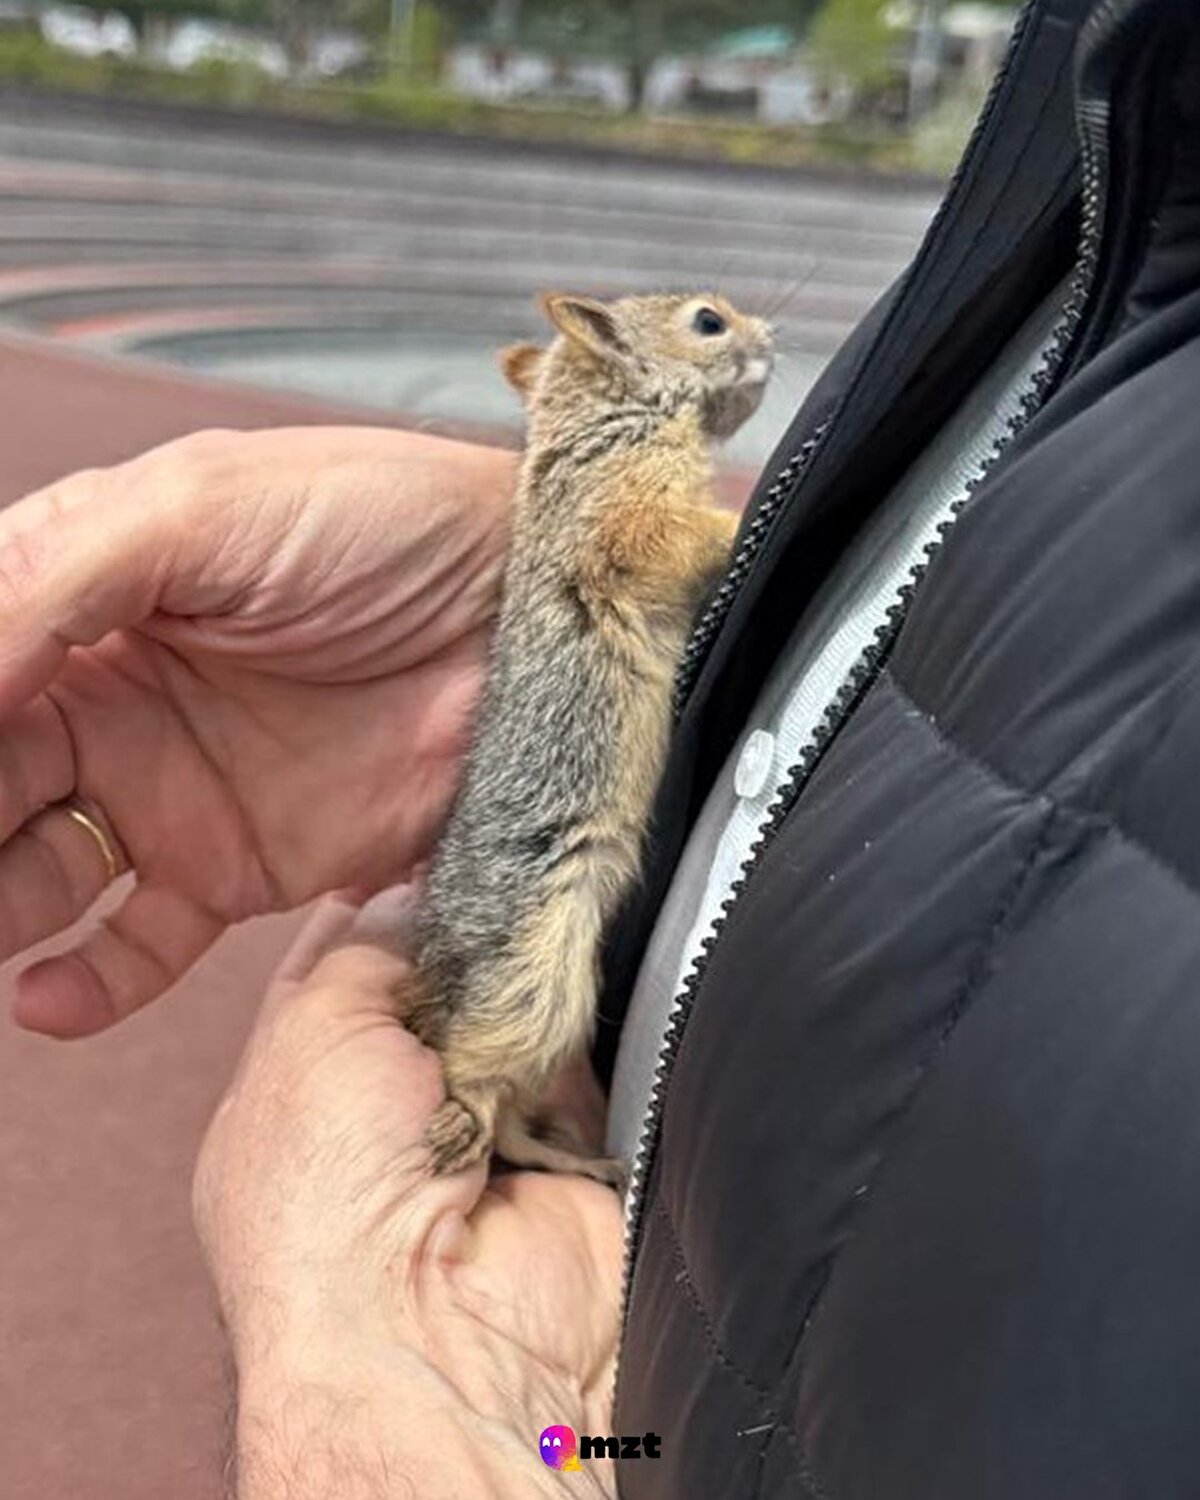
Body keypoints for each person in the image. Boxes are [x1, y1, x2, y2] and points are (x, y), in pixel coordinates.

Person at [6, 0, 1200, 1493]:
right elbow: (646, 558)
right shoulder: (639, 480)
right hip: (611, 1369)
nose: (744, 335)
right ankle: (490, 1096)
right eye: (705, 327)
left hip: (604, 1363)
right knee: (531, 968)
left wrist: (377, 1390)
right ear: (615, 362)